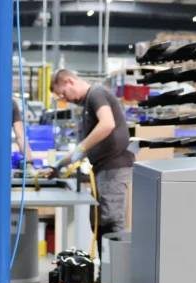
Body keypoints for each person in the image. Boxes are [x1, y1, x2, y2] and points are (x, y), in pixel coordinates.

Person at [51, 69, 134, 259]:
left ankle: (120, 275)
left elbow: (107, 124)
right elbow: (87, 146)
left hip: (113, 167)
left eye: (63, 93)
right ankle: (106, 273)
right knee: (99, 221)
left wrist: (81, 148)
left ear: (70, 81)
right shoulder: (88, 103)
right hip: (103, 169)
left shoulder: (97, 93)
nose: (65, 99)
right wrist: (60, 165)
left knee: (112, 222)